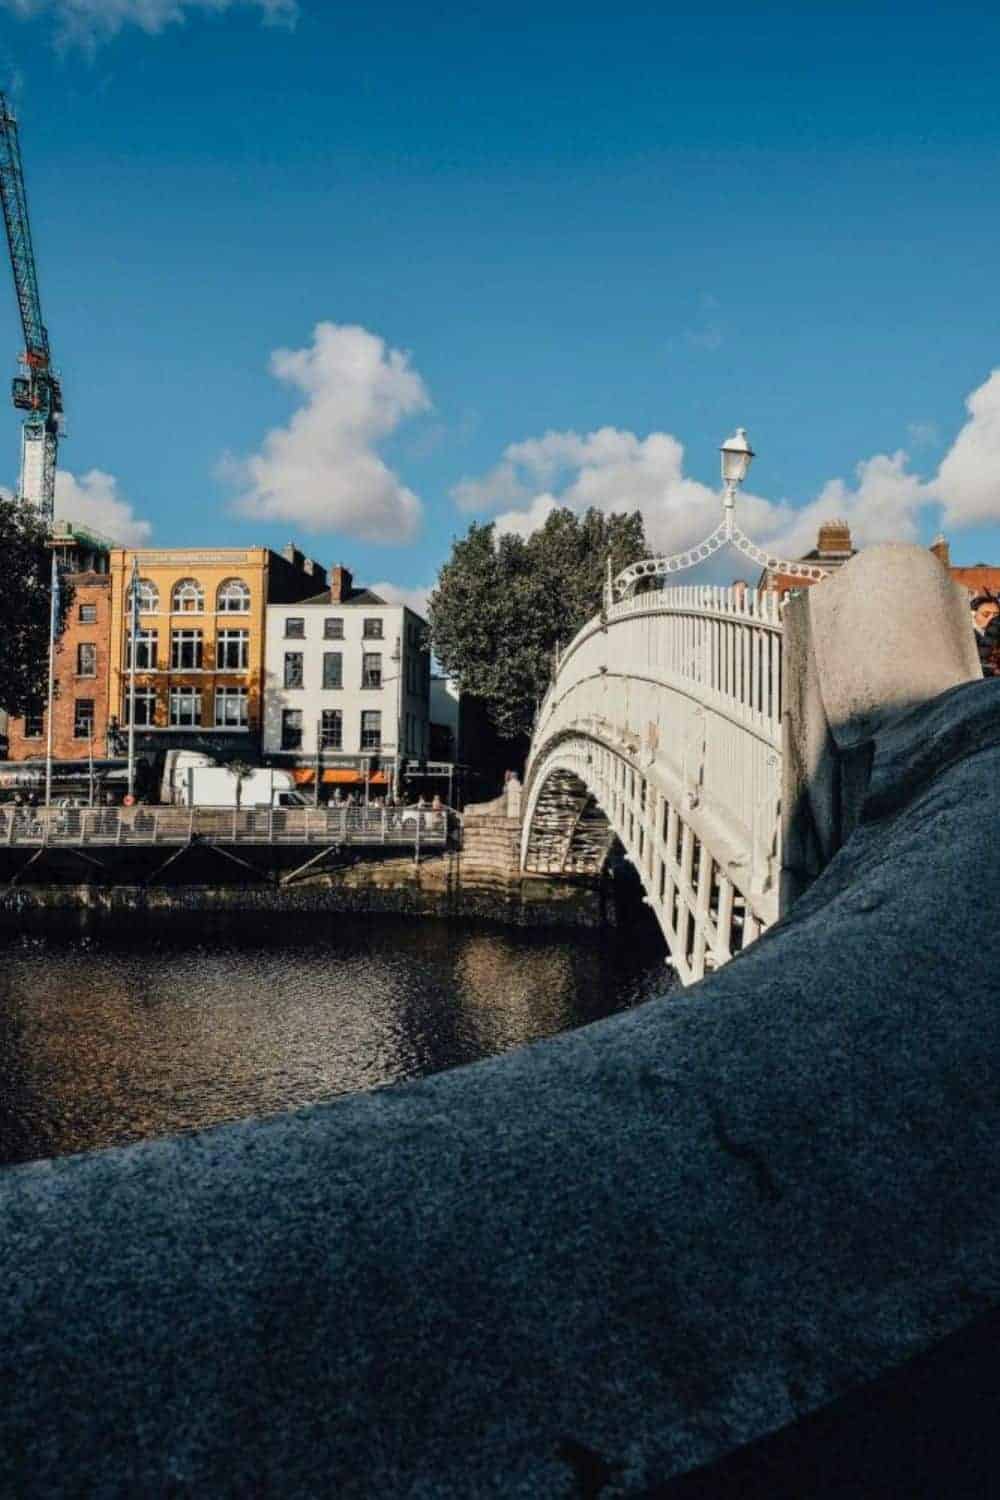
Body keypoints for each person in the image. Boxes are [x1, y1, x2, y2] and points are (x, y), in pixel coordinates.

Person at [970, 594, 1000, 676]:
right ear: (973, 615)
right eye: (986, 614)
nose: (991, 619)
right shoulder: (968, 637)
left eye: (995, 615)